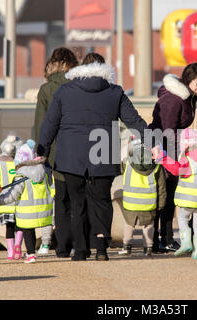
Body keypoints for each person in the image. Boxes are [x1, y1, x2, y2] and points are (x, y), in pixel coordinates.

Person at [37, 52, 149, 261]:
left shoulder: (64, 91)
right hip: (103, 152)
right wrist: (153, 141)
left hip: (71, 156)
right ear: (104, 69)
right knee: (101, 201)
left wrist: (41, 150)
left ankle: (80, 250)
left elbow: (49, 125)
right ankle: (101, 248)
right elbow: (134, 120)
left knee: (77, 203)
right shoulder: (115, 92)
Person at [149, 63, 197, 253]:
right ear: (187, 80)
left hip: (173, 149)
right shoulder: (173, 100)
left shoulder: (188, 97)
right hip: (164, 150)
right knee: (165, 196)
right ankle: (163, 239)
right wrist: (174, 157)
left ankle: (164, 238)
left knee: (169, 195)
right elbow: (167, 131)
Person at [33, 47, 79, 258]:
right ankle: (81, 243)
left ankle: (62, 247)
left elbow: (41, 125)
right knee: (79, 198)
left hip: (55, 153)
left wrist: (40, 152)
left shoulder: (46, 89)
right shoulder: (78, 86)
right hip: (78, 150)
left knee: (60, 201)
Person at [157, 128, 197, 259]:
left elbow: (176, 170)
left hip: (189, 198)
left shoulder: (188, 158)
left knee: (182, 218)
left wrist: (163, 158)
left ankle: (186, 243)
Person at [0, 140, 55, 264]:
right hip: (44, 210)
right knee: (40, 227)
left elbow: (13, 195)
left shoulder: (21, 175)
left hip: (27, 212)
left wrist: (0, 200)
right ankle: (43, 246)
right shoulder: (44, 171)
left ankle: (31, 254)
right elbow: (51, 187)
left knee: (28, 231)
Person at [119, 137, 166, 257]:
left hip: (130, 203)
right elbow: (161, 187)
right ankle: (148, 248)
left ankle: (127, 246)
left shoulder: (127, 163)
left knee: (129, 224)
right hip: (149, 203)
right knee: (149, 225)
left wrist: (132, 144)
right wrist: (161, 204)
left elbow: (123, 162)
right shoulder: (156, 167)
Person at [0, 134, 24, 260]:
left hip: (4, 200)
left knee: (9, 227)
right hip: (19, 200)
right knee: (20, 225)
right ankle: (18, 246)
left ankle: (10, 252)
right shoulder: (20, 163)